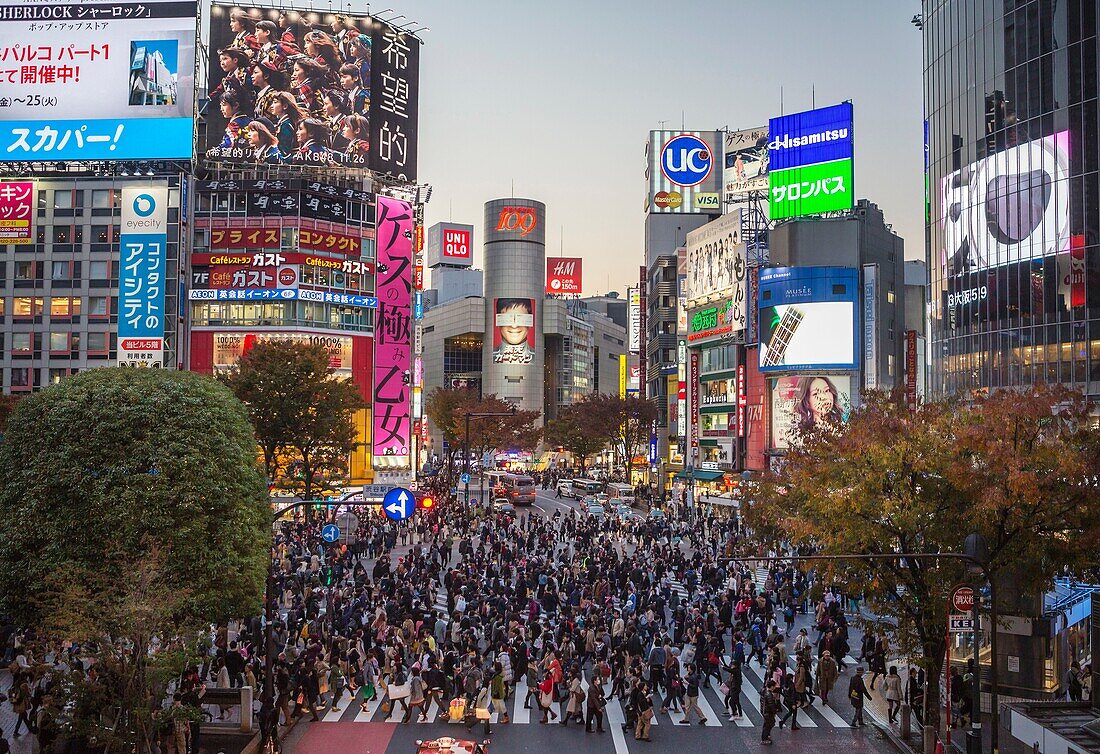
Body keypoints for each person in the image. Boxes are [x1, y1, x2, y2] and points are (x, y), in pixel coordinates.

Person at [492, 298, 535, 364]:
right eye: (507, 319)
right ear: (498, 321)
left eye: (521, 319)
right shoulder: (490, 358)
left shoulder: (538, 358)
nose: (514, 326)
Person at [760, 679, 780, 745]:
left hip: (764, 711)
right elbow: (771, 705)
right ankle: (764, 739)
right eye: (774, 686)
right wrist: (774, 711)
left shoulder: (764, 691)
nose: (774, 687)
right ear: (771, 686)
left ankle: (765, 737)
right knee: (769, 725)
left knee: (767, 724)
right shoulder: (769, 694)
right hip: (768, 712)